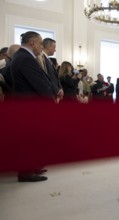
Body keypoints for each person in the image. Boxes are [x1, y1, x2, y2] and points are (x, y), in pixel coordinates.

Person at [11, 31, 58, 182]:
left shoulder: (22, 56)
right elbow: (40, 85)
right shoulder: (25, 58)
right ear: (32, 43)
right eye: (40, 42)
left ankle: (31, 166)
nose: (41, 46)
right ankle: (25, 172)